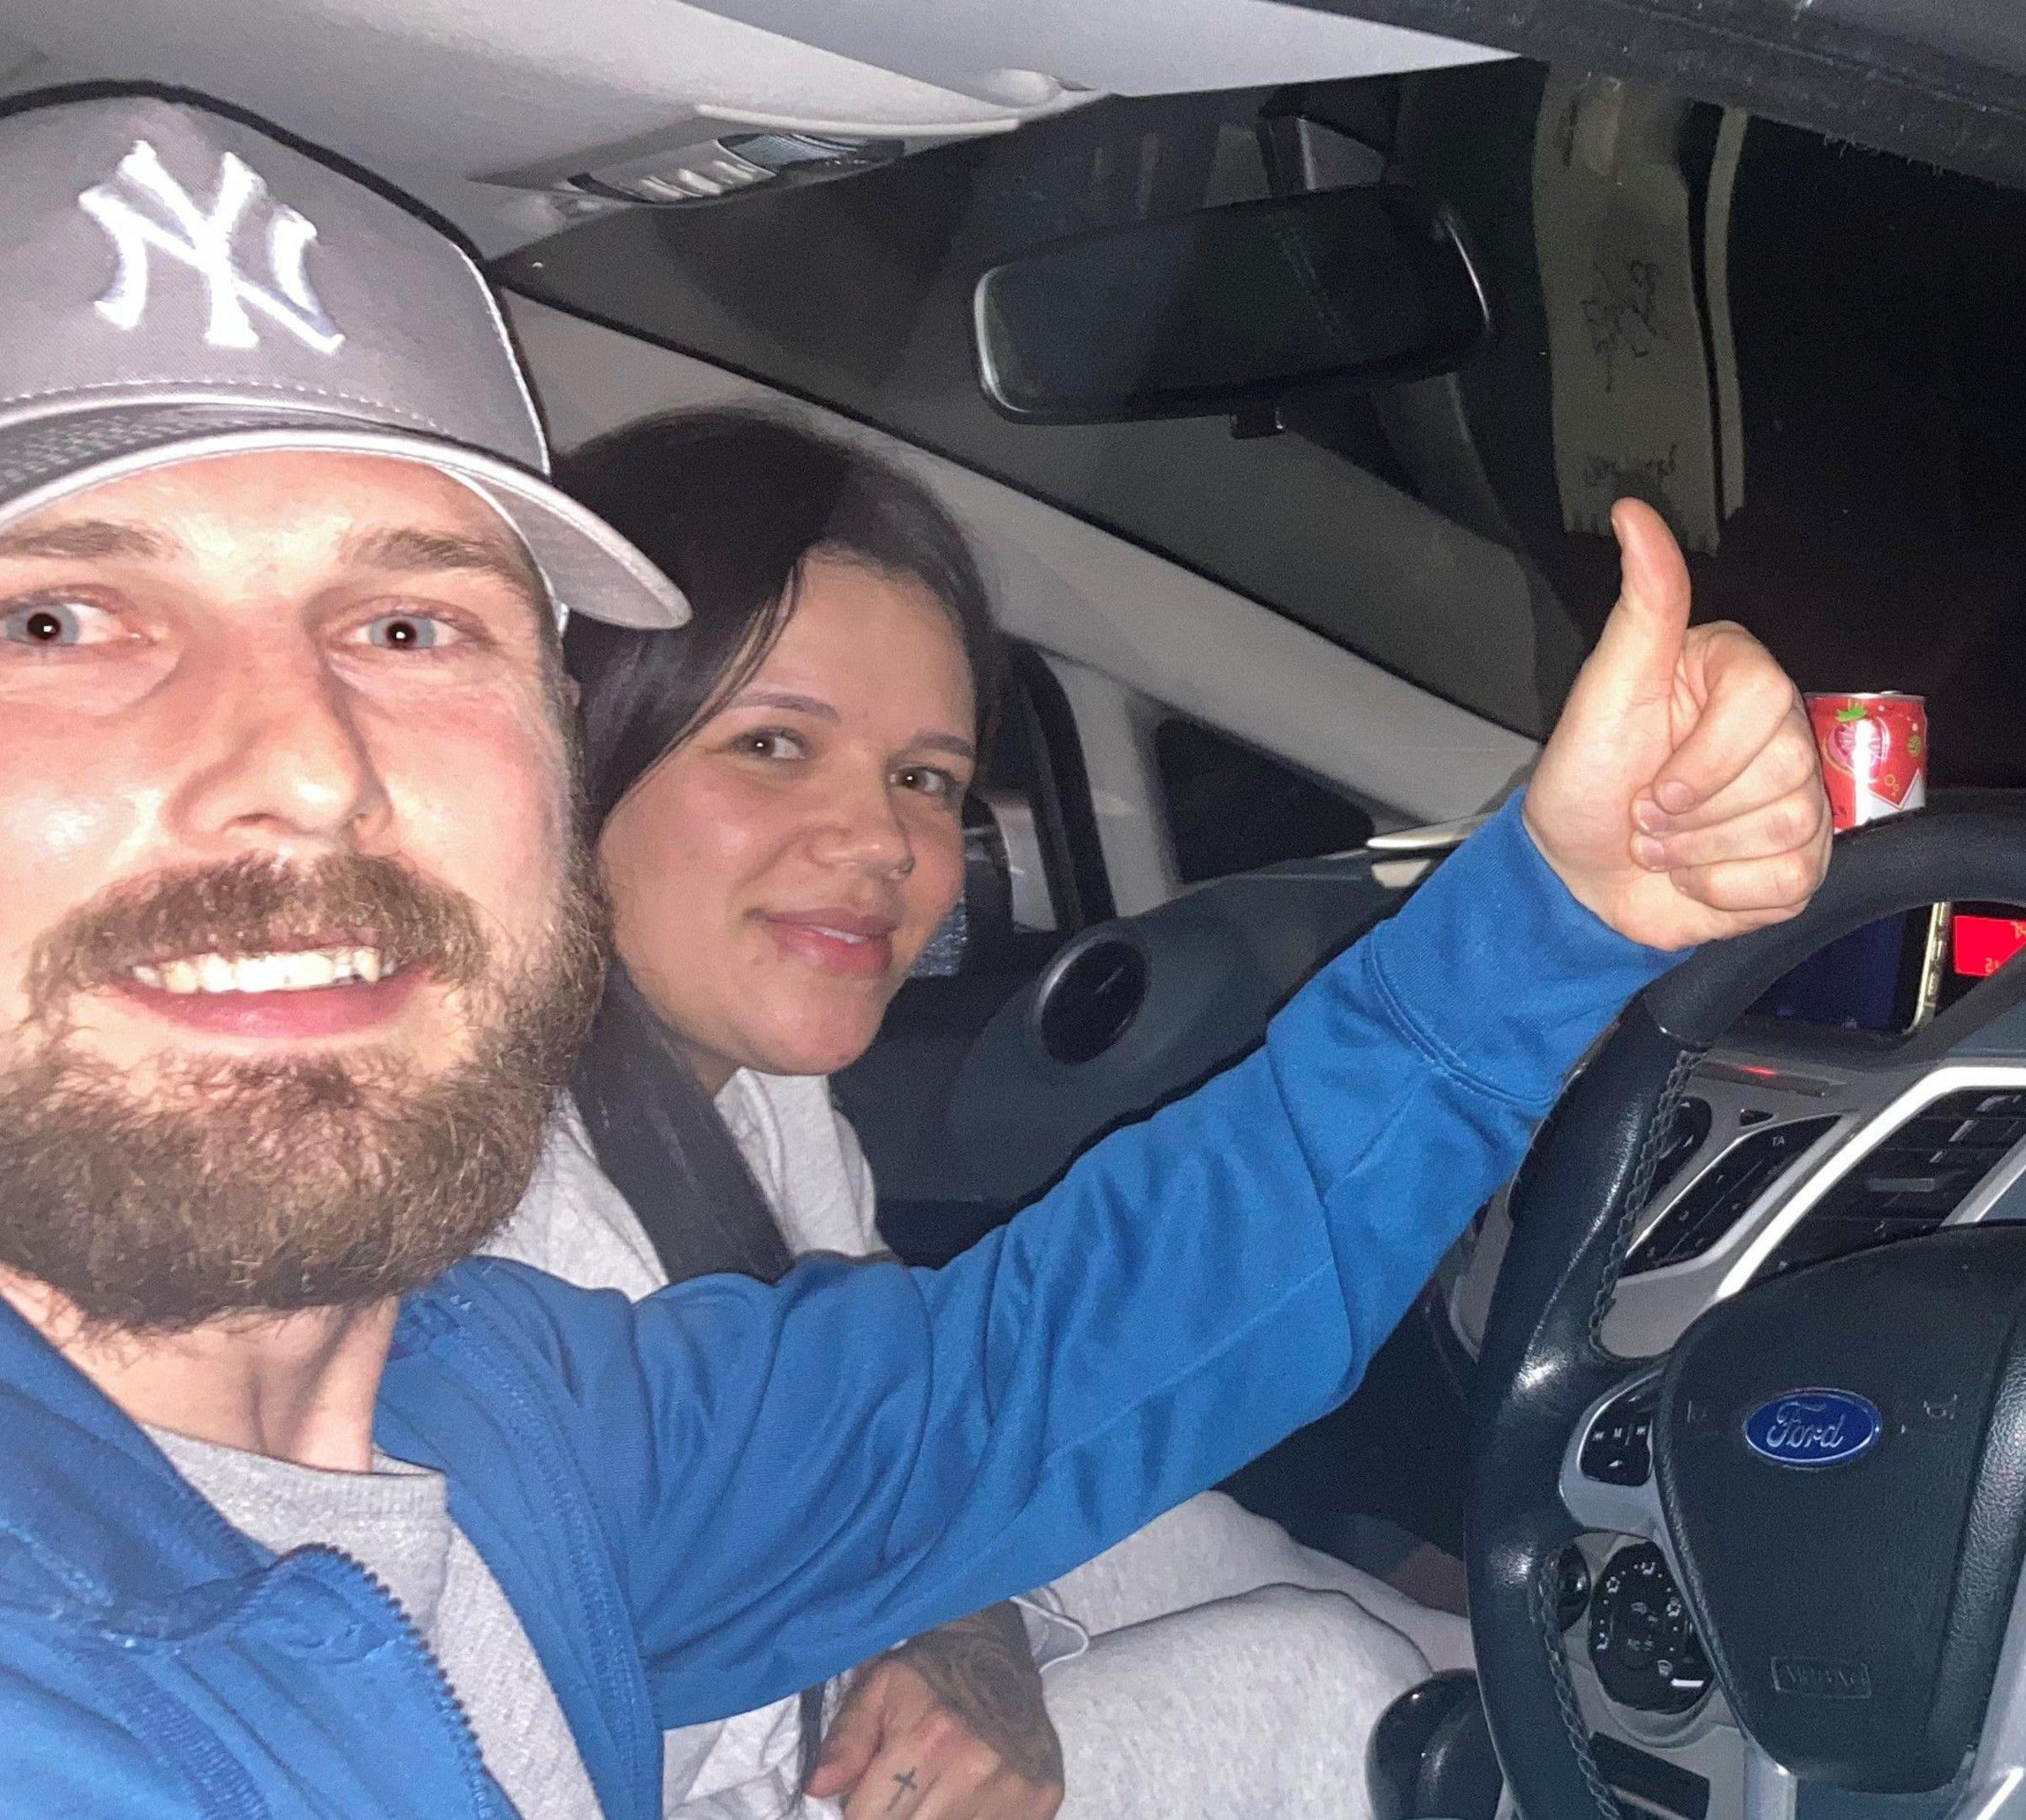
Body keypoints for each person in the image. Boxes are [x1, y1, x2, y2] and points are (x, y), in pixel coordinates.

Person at [0, 92, 1831, 1820]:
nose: (305, 765)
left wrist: (1562, 915)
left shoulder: (491, 1401)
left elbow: (1041, 1370)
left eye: (406, 625)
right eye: (63, 619)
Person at [479, 408, 1472, 1820]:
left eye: (925, 779)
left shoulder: (758, 1087)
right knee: (1311, 1692)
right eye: (772, 745)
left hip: (803, 1667)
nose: (883, 839)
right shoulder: (504, 1206)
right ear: (565, 756)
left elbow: (905, 1425)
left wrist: (960, 1630)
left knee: (1156, 1533)